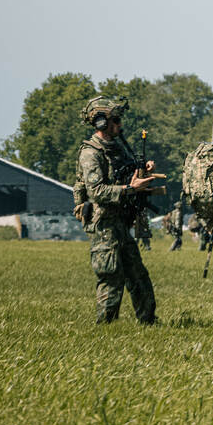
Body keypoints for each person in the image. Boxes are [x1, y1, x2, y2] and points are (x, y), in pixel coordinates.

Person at [76, 95, 163, 324]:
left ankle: (148, 322)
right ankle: (106, 327)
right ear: (101, 122)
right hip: (104, 223)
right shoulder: (91, 153)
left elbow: (126, 172)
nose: (120, 125)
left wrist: (143, 169)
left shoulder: (117, 147)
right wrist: (129, 188)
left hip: (121, 222)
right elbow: (96, 192)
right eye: (115, 120)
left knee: (138, 275)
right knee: (111, 275)